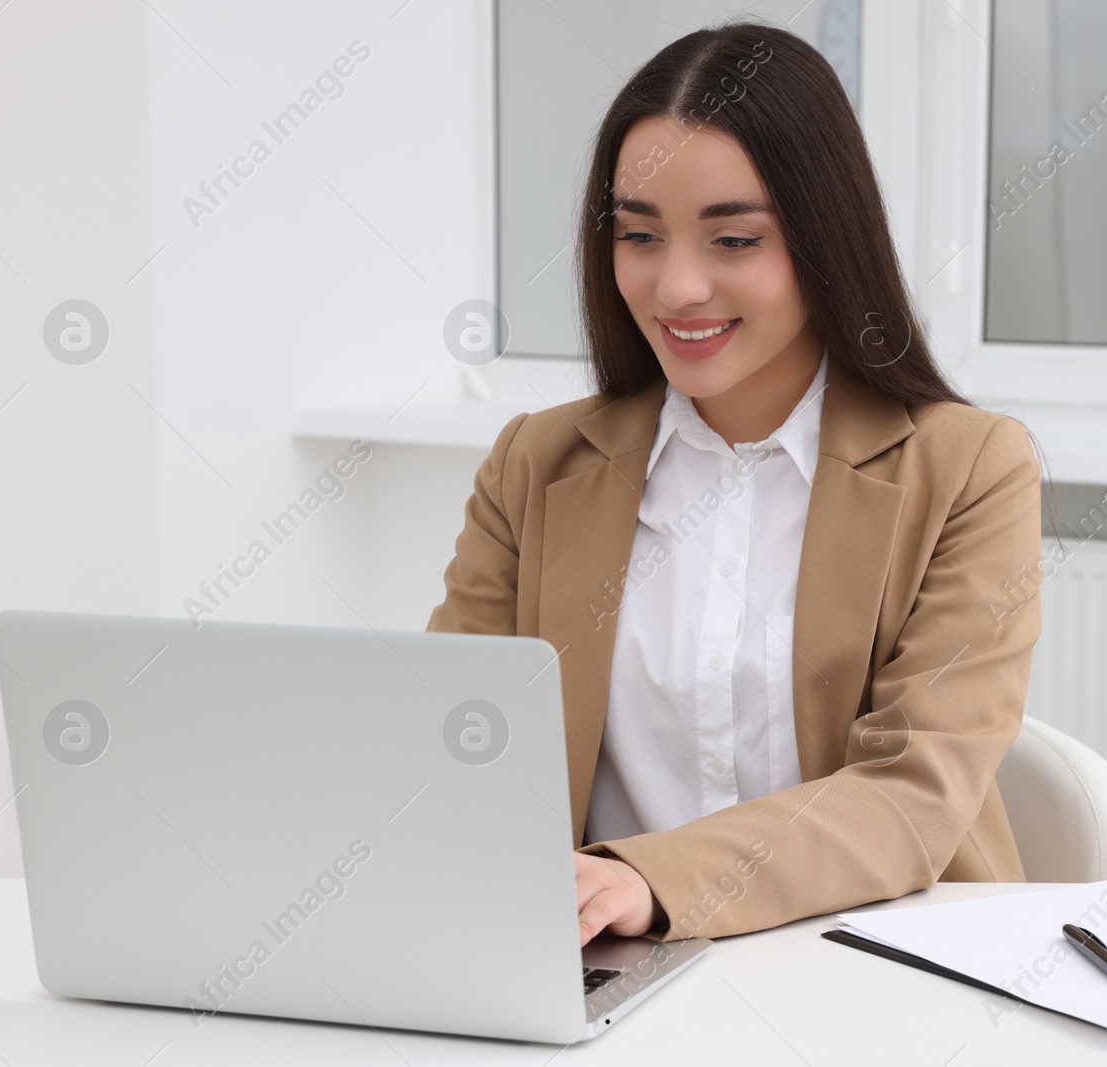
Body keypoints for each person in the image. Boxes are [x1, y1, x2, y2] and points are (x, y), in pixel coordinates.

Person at [427, 19, 1046, 947]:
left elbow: (913, 794)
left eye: (734, 240)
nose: (676, 286)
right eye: (640, 234)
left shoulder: (969, 468)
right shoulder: (535, 465)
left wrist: (649, 878)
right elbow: (452, 739)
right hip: (600, 963)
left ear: (825, 240)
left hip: (885, 958)